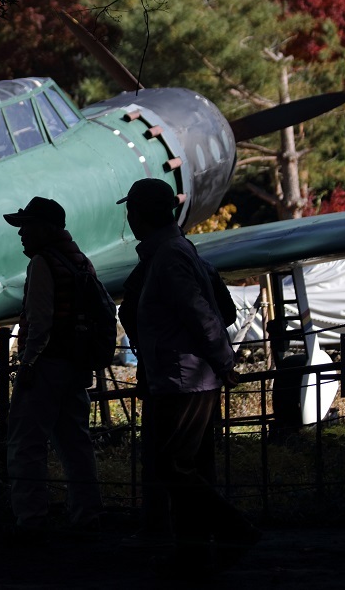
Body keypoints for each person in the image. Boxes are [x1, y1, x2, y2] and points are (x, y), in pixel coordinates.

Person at [116, 178, 260, 576]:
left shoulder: (168, 256)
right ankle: (195, 552)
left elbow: (199, 312)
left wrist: (223, 360)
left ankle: (235, 530)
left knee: (172, 468)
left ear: (138, 215)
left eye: (131, 212)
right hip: (185, 377)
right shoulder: (174, 251)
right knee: (188, 467)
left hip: (182, 380)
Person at [2, 196, 104, 536]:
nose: (21, 235)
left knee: (26, 444)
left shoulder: (43, 263)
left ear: (44, 229)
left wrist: (28, 361)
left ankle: (30, 520)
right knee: (75, 443)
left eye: (26, 227)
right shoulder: (80, 260)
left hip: (46, 365)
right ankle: (87, 514)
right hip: (75, 365)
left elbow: (40, 319)